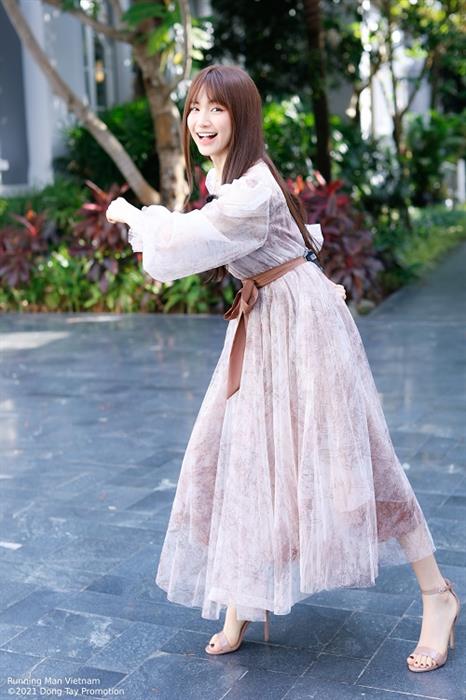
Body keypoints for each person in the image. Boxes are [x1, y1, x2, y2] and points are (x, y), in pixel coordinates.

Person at [106, 65, 460, 672]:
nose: (201, 122)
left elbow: (183, 245)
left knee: (355, 461)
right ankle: (242, 599)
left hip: (302, 327)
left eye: (217, 109)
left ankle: (438, 595)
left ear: (242, 115)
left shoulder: (249, 188)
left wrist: (134, 216)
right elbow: (268, 240)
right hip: (268, 320)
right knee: (239, 453)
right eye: (194, 109)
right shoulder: (233, 178)